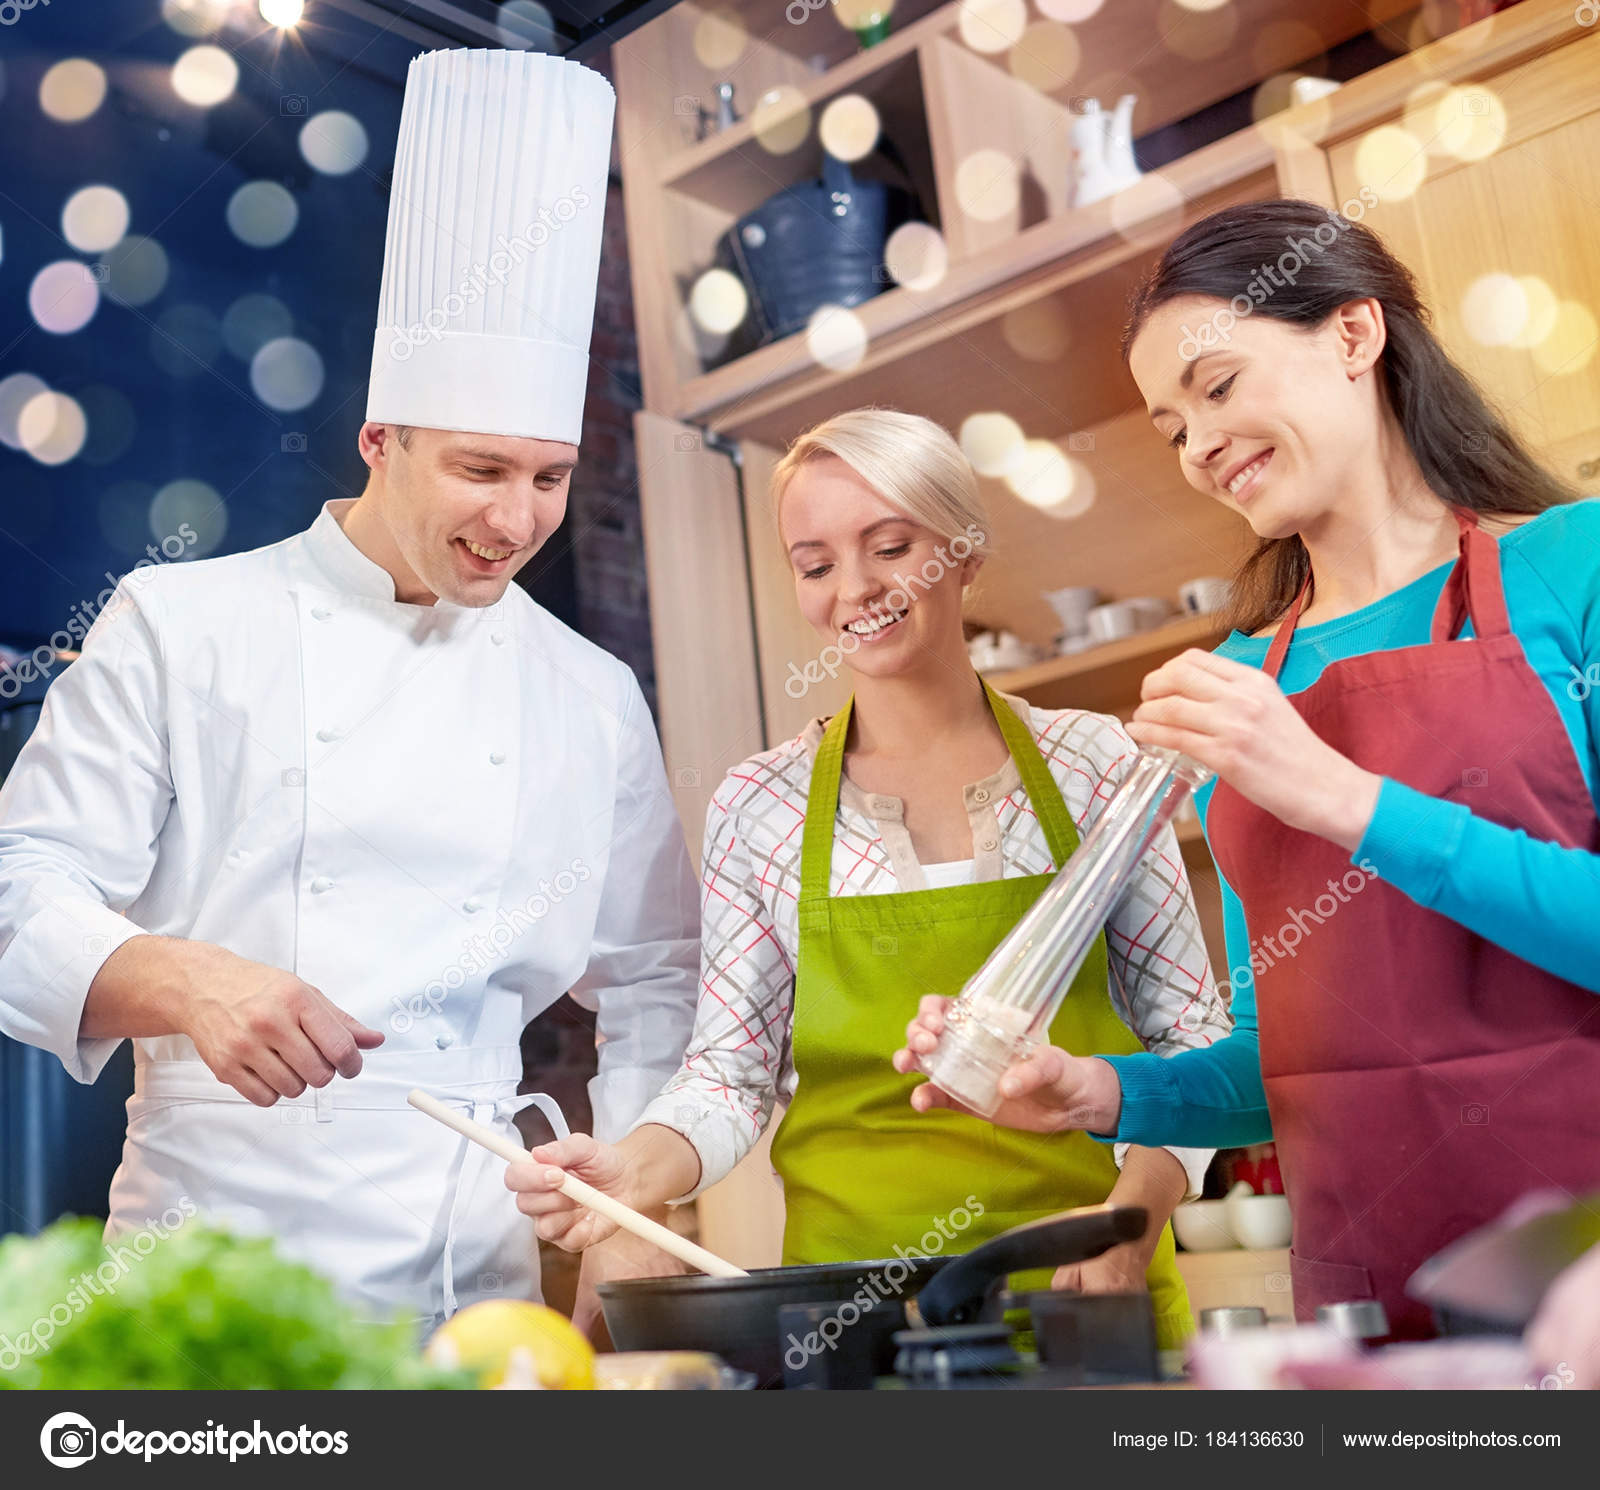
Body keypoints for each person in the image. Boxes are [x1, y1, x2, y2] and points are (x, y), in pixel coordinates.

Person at [0, 49, 698, 1330]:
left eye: (549, 476)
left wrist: (629, 1222)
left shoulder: (588, 690)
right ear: (378, 439)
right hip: (209, 1270)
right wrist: (185, 978)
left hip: (474, 1284)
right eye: (481, 468)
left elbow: (658, 975)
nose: (517, 517)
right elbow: (15, 885)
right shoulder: (187, 622)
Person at [899, 199, 1600, 1340]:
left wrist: (1333, 791)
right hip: (1379, 1292)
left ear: (1354, 334)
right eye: (1171, 427)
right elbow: (1289, 1050)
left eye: (1217, 388)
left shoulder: (1576, 564)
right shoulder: (1238, 681)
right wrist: (1100, 1089)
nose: (1197, 448)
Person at [505, 409, 1231, 1348]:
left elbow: (1192, 1040)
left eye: (890, 546)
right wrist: (635, 1168)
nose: (854, 590)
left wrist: (1129, 1231)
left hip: (1090, 1291)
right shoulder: (758, 805)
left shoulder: (1093, 765)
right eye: (815, 565)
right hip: (854, 1321)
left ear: (966, 550)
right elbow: (728, 1076)